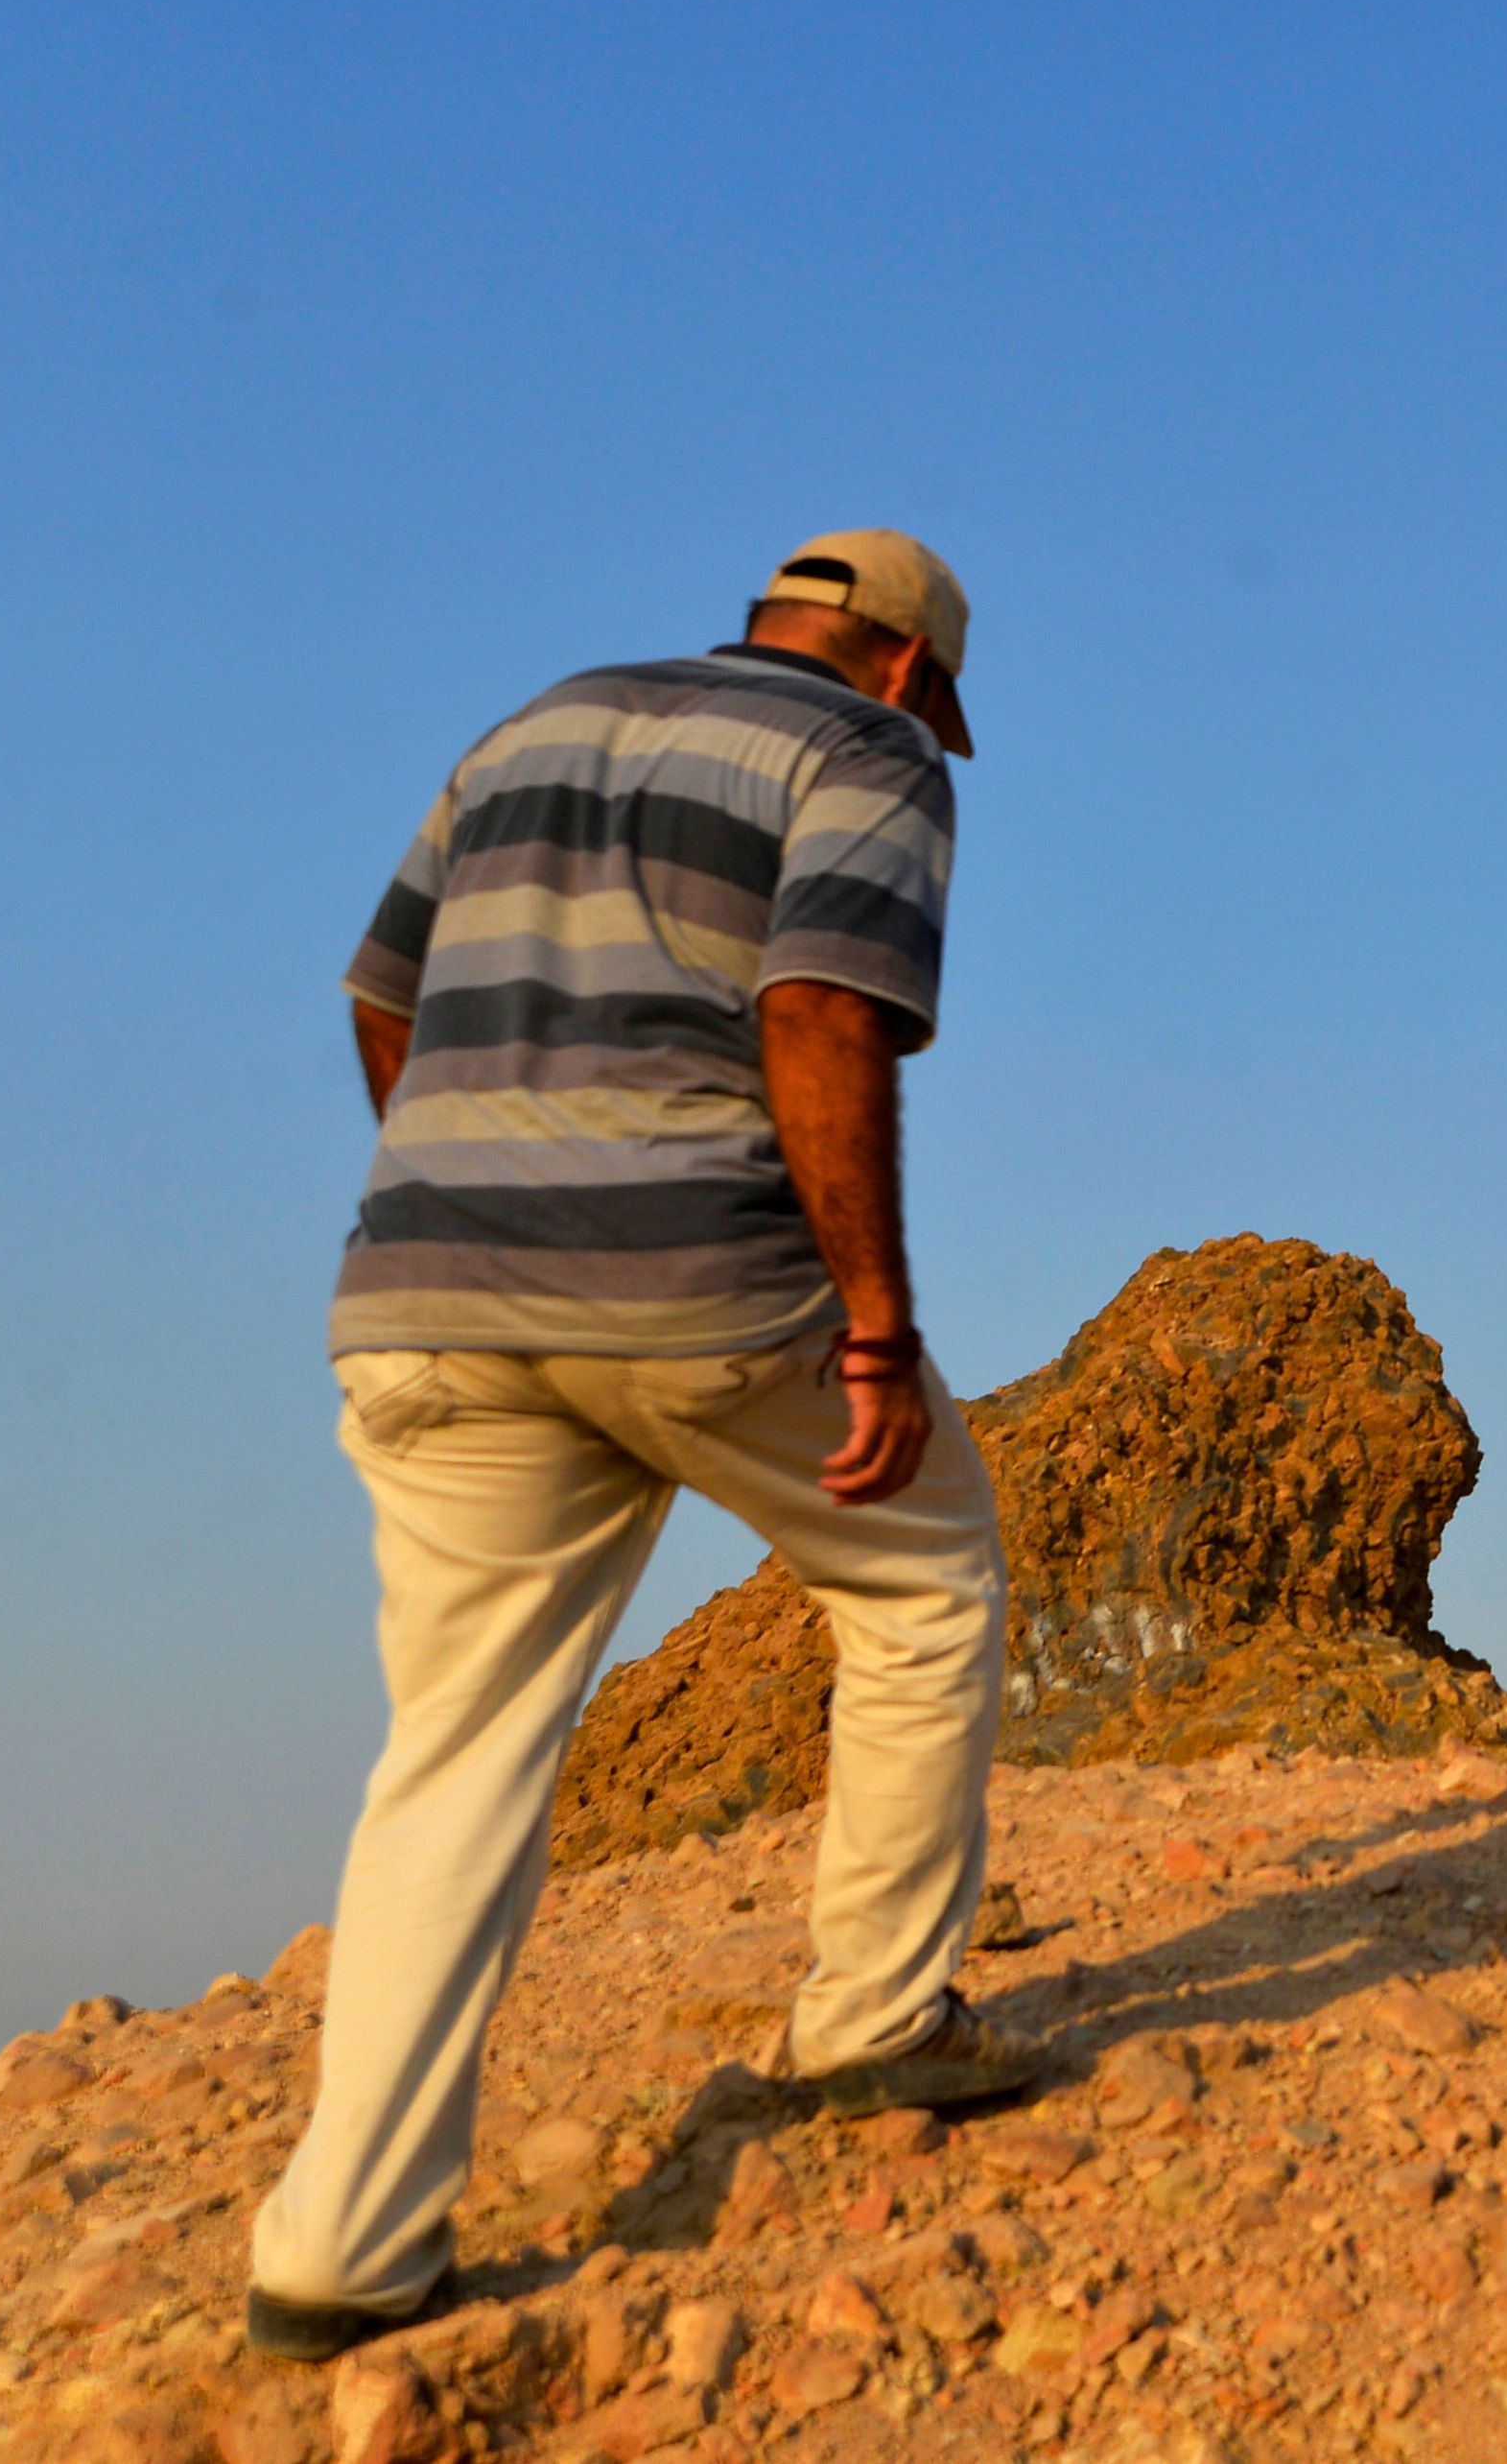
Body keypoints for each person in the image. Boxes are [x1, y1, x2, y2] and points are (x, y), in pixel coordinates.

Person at [248, 533, 1041, 2362]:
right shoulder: (865, 756)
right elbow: (824, 1011)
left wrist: (491, 1172)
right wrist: (875, 1324)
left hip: (430, 1295)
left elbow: (381, 995)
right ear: (910, 667)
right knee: (926, 1579)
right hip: (697, 1289)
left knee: (455, 1750)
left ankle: (342, 2255)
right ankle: (873, 2024)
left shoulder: (531, 724)